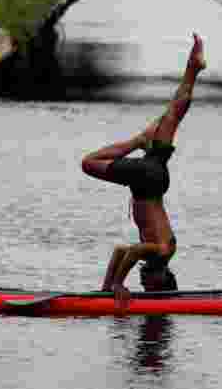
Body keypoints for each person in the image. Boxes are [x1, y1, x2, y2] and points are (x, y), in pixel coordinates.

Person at [81, 33, 207, 311]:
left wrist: (105, 289)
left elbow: (120, 252)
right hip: (147, 179)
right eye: (149, 285)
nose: (144, 284)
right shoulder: (162, 252)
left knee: (173, 114)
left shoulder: (159, 254)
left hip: (154, 176)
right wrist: (118, 285)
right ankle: (137, 141)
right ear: (161, 279)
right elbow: (135, 251)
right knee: (88, 163)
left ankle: (193, 68)